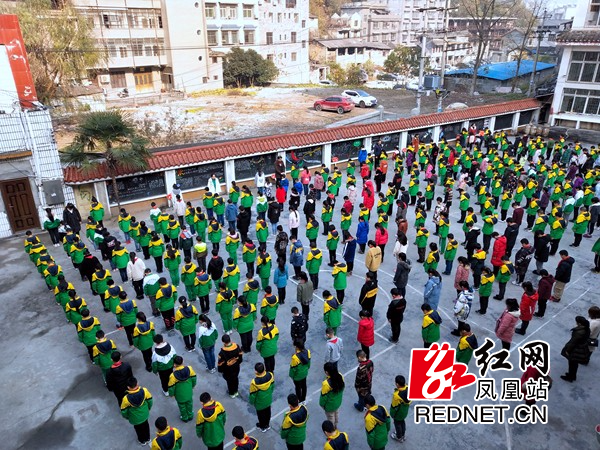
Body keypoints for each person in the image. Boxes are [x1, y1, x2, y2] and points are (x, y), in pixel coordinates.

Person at [120, 377, 153, 446]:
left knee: (138, 430)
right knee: (146, 426)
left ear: (128, 387)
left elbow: (124, 411)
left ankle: (142, 441)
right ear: (137, 384)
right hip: (144, 414)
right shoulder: (144, 391)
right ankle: (148, 439)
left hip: (134, 419)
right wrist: (148, 408)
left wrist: (127, 417)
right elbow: (150, 401)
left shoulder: (126, 399)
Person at [560, 316, 591, 382]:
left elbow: (573, 342)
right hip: (582, 347)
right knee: (574, 363)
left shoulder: (578, 332)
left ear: (579, 323)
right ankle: (572, 375)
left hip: (576, 349)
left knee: (572, 363)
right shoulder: (587, 329)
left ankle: (570, 377)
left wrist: (568, 350)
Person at [168, 355, 197, 423]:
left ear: (174, 365)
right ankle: (190, 415)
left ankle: (184, 417)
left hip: (179, 395)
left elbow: (171, 387)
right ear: (182, 362)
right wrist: (193, 385)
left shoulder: (173, 376)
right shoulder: (189, 369)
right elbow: (194, 378)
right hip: (189, 392)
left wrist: (171, 394)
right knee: (189, 404)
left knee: (182, 406)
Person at [249, 362, 275, 432]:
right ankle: (267, 424)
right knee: (268, 412)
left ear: (256, 371)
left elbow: (252, 395)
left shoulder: (254, 383)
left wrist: (251, 402)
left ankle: (262, 426)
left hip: (259, 402)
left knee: (261, 415)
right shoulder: (270, 375)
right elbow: (272, 386)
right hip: (268, 399)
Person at [319, 362, 345, 429]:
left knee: (330, 417)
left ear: (327, 372)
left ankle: (332, 429)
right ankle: (336, 425)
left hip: (330, 405)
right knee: (336, 413)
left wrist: (322, 405)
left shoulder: (326, 384)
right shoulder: (340, 376)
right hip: (338, 402)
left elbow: (323, 398)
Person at [389, 375, 411, 443]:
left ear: (397, 384)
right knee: (402, 422)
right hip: (405, 411)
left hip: (398, 413)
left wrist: (392, 415)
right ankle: (403, 435)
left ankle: (399, 437)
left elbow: (394, 406)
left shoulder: (397, 395)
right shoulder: (408, 388)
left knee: (397, 424)